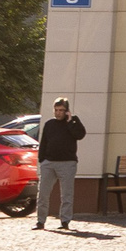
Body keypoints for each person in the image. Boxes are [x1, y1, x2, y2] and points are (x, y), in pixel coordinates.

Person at [33, 97, 84, 230]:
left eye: (61, 110)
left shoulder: (73, 122)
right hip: (49, 163)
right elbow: (43, 142)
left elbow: (80, 135)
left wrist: (70, 121)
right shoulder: (50, 124)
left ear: (67, 111)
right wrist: (42, 160)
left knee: (66, 194)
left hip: (67, 163)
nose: (58, 113)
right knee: (43, 193)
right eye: (56, 110)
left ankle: (65, 221)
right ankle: (40, 221)